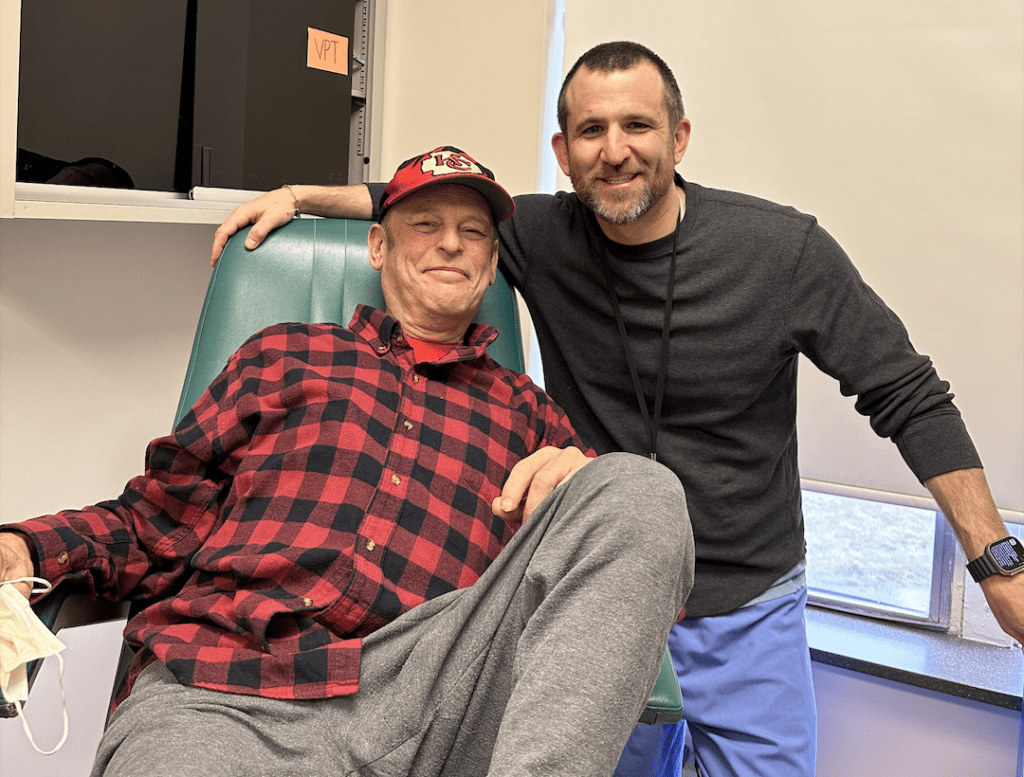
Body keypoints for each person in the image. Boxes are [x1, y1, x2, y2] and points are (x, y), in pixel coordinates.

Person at [210, 42, 1024, 777]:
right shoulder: (533, 231)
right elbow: (418, 207)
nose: (615, 149)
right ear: (563, 153)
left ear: (679, 137)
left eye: (638, 124)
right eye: (590, 130)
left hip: (745, 597)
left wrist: (996, 566)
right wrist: (295, 194)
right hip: (600, 592)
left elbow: (907, 393)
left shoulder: (782, 252)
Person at [0, 146, 695, 777]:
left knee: (641, 490)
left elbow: (624, 577)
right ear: (377, 245)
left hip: (431, 695)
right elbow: (154, 521)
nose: (451, 241)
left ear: (490, 264)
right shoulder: (284, 354)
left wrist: (584, 490)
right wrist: (29, 545)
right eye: (425, 223)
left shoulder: (529, 414)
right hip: (226, 691)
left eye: (474, 231)